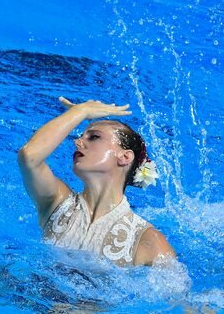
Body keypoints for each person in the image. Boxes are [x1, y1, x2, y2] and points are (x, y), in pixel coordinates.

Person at [18, 97, 176, 266]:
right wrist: (80, 111)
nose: (77, 142)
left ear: (125, 157)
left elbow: (178, 292)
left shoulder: (147, 242)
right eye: (81, 137)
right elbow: (29, 156)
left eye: (93, 137)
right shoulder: (56, 202)